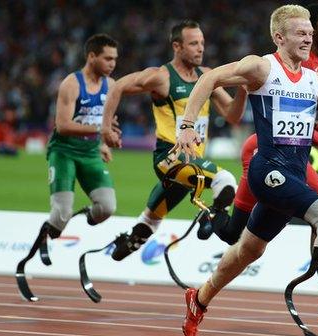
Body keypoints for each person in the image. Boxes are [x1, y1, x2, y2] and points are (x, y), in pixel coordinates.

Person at [176, 4, 318, 336]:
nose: (308, 39)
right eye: (301, 33)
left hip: (292, 175)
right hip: (267, 170)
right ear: (279, 37)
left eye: (310, 34)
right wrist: (188, 125)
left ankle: (199, 299)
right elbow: (209, 78)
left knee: (248, 251)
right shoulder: (261, 67)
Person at [100, 20, 247, 260]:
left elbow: (232, 114)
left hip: (193, 164)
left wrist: (243, 89)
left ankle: (125, 245)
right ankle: (210, 215)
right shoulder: (161, 77)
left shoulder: (207, 76)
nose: (200, 48)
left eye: (202, 43)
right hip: (170, 159)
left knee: (150, 220)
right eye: (193, 44)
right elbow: (117, 87)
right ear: (177, 47)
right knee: (226, 180)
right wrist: (106, 128)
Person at [37, 33, 119, 248]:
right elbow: (62, 126)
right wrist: (101, 130)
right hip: (64, 151)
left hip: (90, 152)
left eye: (115, 59)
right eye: (108, 59)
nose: (113, 64)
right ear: (92, 57)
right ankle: (44, 242)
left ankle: (80, 216)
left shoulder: (111, 86)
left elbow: (105, 119)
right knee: (60, 215)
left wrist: (102, 142)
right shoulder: (71, 84)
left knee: (106, 208)